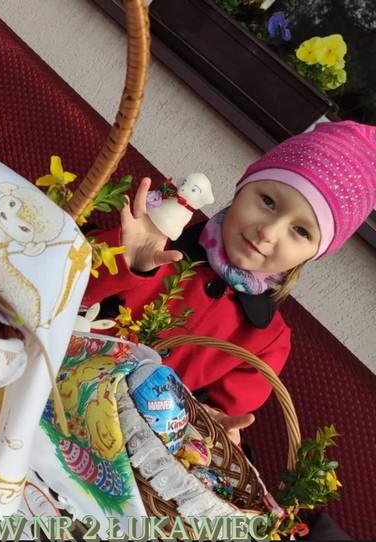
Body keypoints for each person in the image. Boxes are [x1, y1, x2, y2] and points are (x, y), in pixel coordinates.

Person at [83, 120, 376, 444]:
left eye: (301, 231)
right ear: (242, 187)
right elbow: (61, 289)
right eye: (267, 201)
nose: (268, 232)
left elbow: (216, 422)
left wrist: (213, 428)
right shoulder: (155, 241)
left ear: (314, 254)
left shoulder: (267, 341)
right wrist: (125, 260)